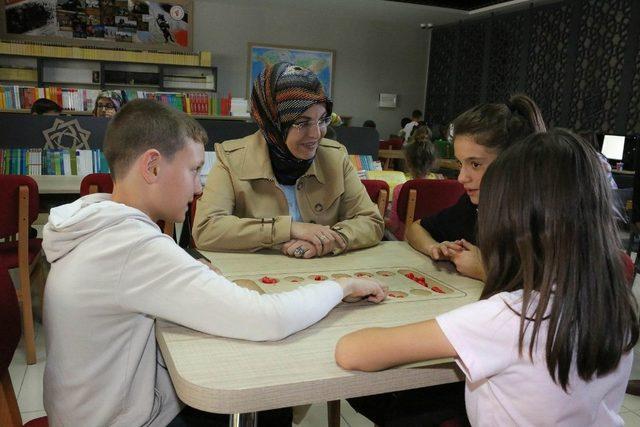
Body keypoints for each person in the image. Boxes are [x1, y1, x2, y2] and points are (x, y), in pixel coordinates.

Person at [42, 99, 386, 427]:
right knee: (269, 409)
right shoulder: (132, 247)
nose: (197, 188)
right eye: (193, 171)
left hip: (91, 411)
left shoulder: (97, 220)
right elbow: (269, 319)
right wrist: (341, 287)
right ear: (152, 166)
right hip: (123, 420)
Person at [336, 129, 639, 426]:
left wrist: (345, 286)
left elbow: (352, 351)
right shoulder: (617, 306)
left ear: (509, 219)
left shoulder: (511, 319)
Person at [193, 62, 384, 257]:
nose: (316, 134)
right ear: (272, 121)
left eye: (322, 120)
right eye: (302, 122)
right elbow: (206, 230)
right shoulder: (232, 159)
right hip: (256, 280)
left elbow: (371, 221)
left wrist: (328, 240)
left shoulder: (335, 157)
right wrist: (289, 228)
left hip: (323, 279)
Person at [406, 94, 546, 280]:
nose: (462, 178)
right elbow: (415, 229)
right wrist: (434, 247)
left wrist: (485, 269)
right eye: (460, 164)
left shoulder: (545, 215)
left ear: (513, 163)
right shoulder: (472, 205)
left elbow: (554, 288)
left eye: (475, 164)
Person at [387, 125, 443, 240]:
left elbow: (394, 226)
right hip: (434, 241)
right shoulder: (444, 186)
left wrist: (381, 218)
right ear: (433, 161)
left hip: (406, 241)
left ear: (407, 161)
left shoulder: (401, 189)